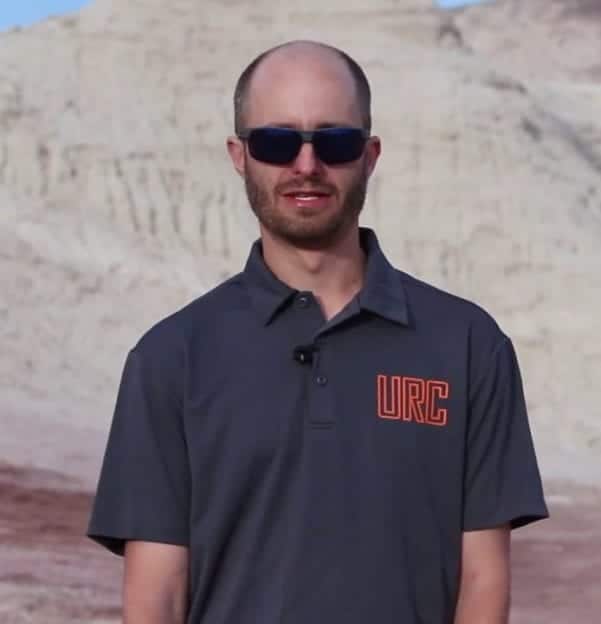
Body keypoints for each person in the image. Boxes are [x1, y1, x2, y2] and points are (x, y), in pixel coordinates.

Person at [87, 40, 548, 624]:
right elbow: (158, 594)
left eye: (335, 142)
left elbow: (482, 582)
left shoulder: (468, 346)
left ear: (370, 155)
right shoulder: (171, 357)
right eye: (277, 142)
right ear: (239, 155)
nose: (306, 165)